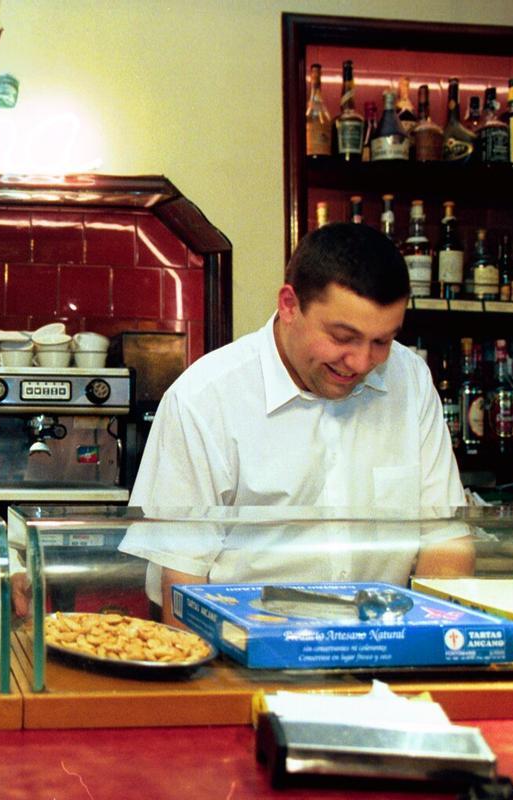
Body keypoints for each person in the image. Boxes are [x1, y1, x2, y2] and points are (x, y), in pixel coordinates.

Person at [118, 223, 471, 624]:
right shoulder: (204, 398)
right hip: (241, 654)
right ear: (289, 305)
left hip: (382, 650)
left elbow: (445, 541)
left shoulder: (410, 378)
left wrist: (434, 643)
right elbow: (182, 581)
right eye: (343, 337)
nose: (361, 362)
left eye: (382, 341)